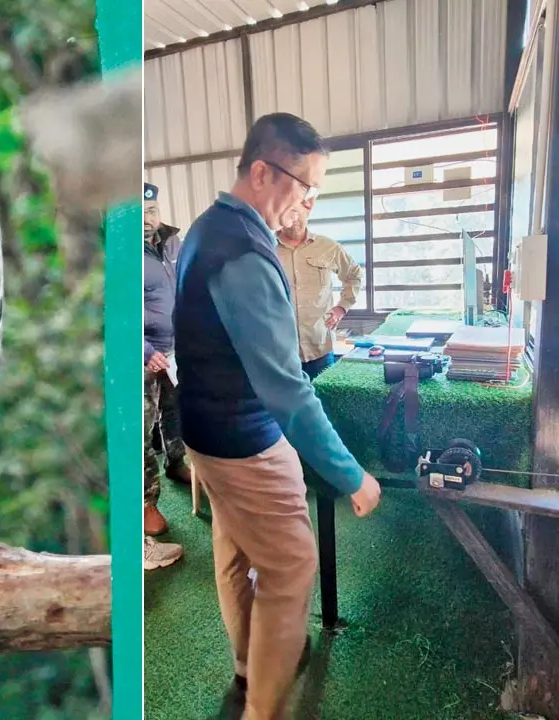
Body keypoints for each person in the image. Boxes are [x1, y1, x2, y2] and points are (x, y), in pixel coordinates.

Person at [172, 113, 383, 719]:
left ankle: (248, 665)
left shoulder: (208, 229)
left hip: (206, 434)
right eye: (304, 185)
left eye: (316, 190)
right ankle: (264, 705)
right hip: (242, 439)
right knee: (291, 563)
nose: (307, 201)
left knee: (234, 551)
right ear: (262, 172)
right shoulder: (242, 251)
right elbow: (287, 389)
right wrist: (352, 477)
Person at [142, 182, 186, 569]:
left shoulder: (173, 243)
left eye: (152, 211)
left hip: (173, 350)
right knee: (142, 431)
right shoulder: (122, 252)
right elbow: (118, 308)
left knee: (174, 412)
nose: (147, 220)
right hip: (142, 356)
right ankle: (147, 506)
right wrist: (146, 352)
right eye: (140, 213)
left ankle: (177, 463)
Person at [275, 206, 363, 380]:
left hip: (320, 347)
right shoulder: (266, 249)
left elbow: (354, 274)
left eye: (298, 212)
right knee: (285, 407)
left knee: (324, 403)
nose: (294, 219)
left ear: (307, 213)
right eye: (288, 213)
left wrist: (342, 307)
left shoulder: (328, 247)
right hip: (280, 353)